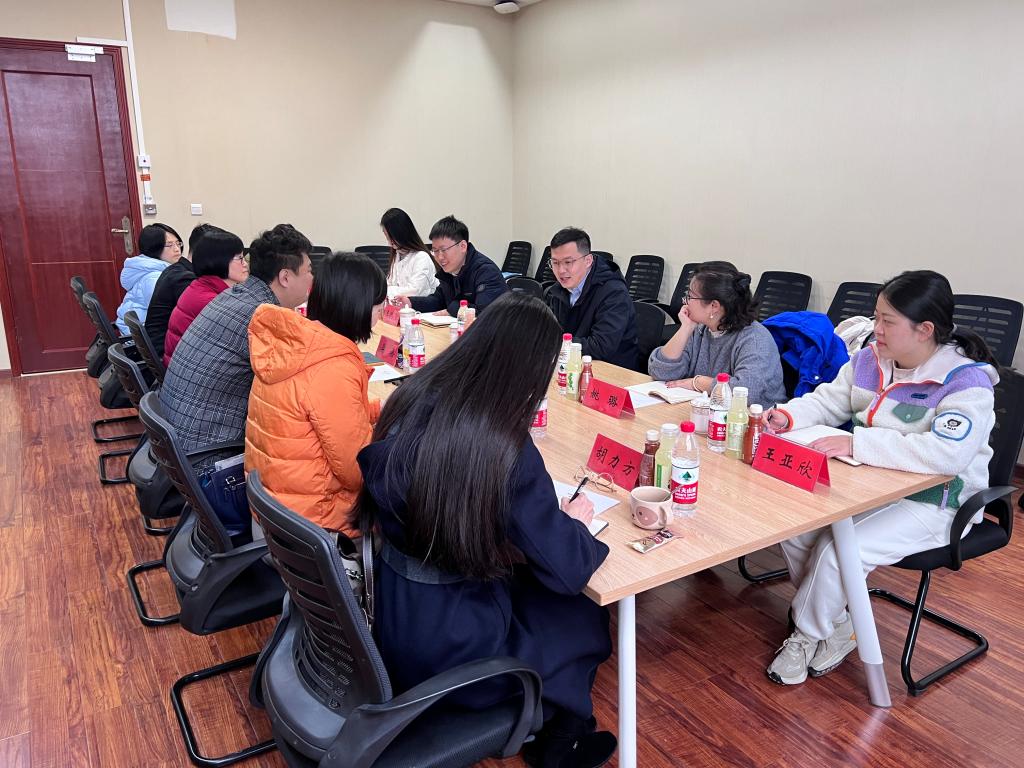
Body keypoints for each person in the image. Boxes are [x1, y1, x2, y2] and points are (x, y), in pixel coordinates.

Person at [356, 292, 616, 768]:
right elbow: (567, 568)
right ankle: (562, 739)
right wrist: (573, 522)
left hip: (392, 618)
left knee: (530, 582)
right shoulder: (499, 445)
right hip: (454, 652)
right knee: (581, 615)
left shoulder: (412, 396)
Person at [764, 270, 999, 686]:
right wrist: (789, 416)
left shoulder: (965, 382)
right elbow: (828, 400)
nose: (876, 329)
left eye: (888, 321)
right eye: (877, 317)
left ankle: (805, 635)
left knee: (839, 551)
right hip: (870, 488)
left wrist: (858, 444)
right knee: (793, 525)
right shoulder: (870, 359)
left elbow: (947, 454)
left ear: (925, 329)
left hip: (938, 501)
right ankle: (838, 625)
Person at [245, 253, 385, 539]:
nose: (382, 313)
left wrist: (380, 409)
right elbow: (358, 471)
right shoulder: (333, 367)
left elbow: (316, 415)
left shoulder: (294, 346)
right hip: (316, 529)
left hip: (274, 512)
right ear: (357, 305)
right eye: (378, 304)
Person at [158, 224, 313, 469]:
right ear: (285, 277)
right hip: (208, 461)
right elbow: (298, 395)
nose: (312, 278)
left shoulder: (233, 296)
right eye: (309, 270)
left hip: (176, 443)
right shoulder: (264, 317)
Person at [648, 261, 786, 407]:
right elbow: (660, 372)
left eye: (690, 296)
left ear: (714, 306)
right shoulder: (700, 328)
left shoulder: (755, 338)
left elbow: (748, 392)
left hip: (754, 417)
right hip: (710, 411)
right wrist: (685, 329)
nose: (685, 302)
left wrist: (698, 382)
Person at [544, 227, 638, 368]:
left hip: (611, 370)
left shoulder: (614, 292)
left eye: (568, 262)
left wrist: (554, 344)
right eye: (555, 263)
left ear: (588, 261)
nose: (561, 270)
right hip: (571, 363)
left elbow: (601, 346)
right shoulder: (557, 290)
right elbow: (548, 330)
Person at [392, 214, 507, 315]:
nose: (440, 257)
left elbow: (484, 313)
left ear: (463, 246)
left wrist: (452, 308)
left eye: (444, 250)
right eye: (435, 251)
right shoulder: (450, 271)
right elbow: (437, 301)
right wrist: (410, 302)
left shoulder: (486, 271)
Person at [163, 230, 248, 365]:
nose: (245, 264)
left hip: (183, 365)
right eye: (240, 258)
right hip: (191, 371)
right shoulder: (211, 301)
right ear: (219, 261)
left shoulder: (202, 286)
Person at [144, 224, 219, 357]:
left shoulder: (176, 269)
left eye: (178, 243)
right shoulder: (185, 279)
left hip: (159, 347)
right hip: (166, 352)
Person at [115, 223, 182, 334]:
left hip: (135, 333)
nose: (177, 249)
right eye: (169, 245)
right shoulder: (154, 278)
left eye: (178, 243)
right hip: (140, 338)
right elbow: (169, 314)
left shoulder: (147, 269)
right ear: (153, 248)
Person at [380, 207, 438, 298]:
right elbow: (389, 284)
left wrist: (385, 291)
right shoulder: (397, 255)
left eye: (390, 237)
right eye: (387, 237)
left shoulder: (421, 257)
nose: (389, 242)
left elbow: (414, 291)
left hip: (421, 305)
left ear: (401, 233)